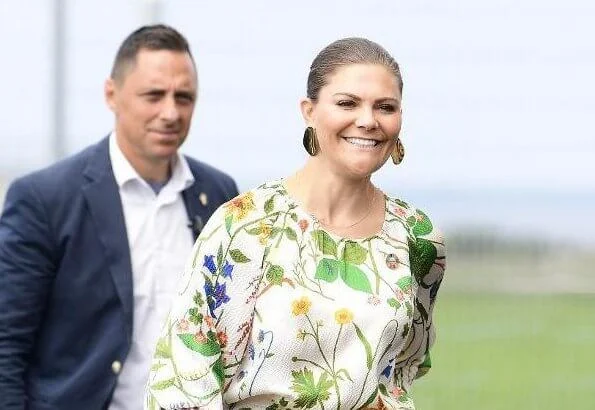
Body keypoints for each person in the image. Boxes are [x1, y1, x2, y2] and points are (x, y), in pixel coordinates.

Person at [144, 37, 446, 410]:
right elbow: (183, 381)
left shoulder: (418, 236)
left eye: (385, 107)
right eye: (347, 103)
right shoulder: (249, 226)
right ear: (309, 111)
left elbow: (404, 367)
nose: (368, 120)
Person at [0, 24, 239, 410]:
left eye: (184, 97)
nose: (171, 112)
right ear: (112, 94)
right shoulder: (46, 199)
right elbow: (6, 345)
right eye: (153, 95)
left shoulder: (218, 194)